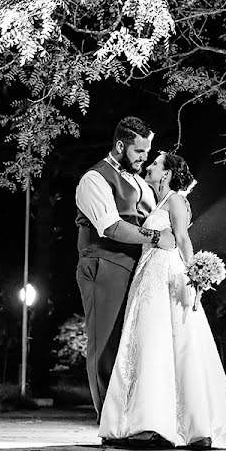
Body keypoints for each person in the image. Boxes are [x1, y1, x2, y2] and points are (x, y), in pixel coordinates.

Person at [98, 152, 226, 449]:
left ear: (166, 174)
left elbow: (183, 239)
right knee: (151, 345)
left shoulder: (176, 200)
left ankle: (168, 426)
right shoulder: (159, 203)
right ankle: (154, 421)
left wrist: (195, 277)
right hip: (148, 275)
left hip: (165, 275)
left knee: (160, 343)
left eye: (155, 164)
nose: (150, 166)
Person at [75, 117, 176, 425]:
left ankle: (133, 419)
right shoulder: (93, 179)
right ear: (120, 145)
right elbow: (112, 227)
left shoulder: (138, 180)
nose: (144, 158)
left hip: (139, 268)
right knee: (105, 343)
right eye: (138, 151)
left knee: (132, 343)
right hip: (104, 262)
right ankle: (108, 420)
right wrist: (158, 238)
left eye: (148, 151)